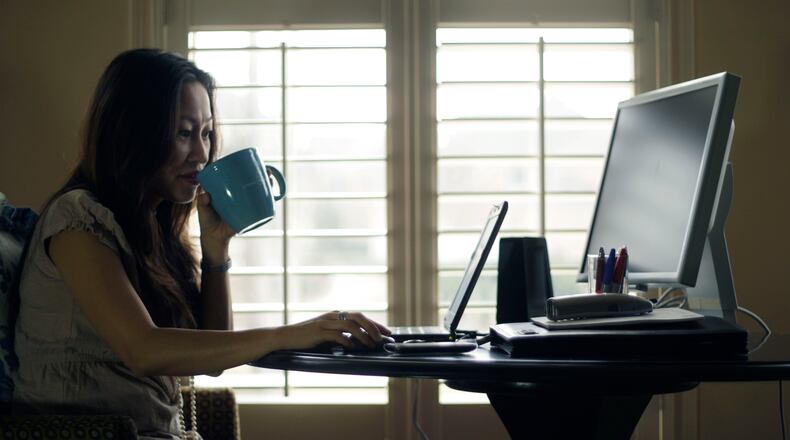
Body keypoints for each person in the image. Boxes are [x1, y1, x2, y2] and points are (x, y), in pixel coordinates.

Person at [12, 48, 390, 439]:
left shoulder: (151, 226)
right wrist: (288, 333)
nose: (202, 154)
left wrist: (215, 249)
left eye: (207, 133)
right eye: (184, 132)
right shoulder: (77, 220)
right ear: (132, 133)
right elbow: (144, 350)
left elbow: (213, 356)